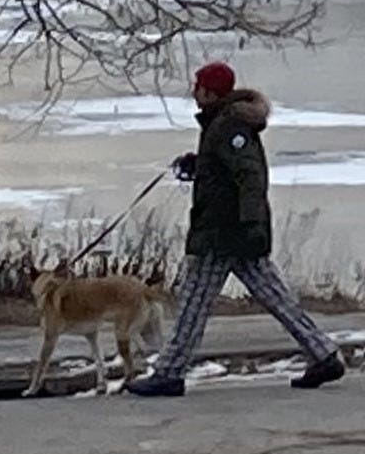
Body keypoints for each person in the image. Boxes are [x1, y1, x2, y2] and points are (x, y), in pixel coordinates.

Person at [126, 62, 346, 395]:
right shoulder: (224, 125)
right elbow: (228, 172)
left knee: (192, 302)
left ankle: (169, 372)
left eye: (197, 86)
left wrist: (252, 223)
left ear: (210, 92)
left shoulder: (229, 127)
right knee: (276, 297)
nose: (193, 91)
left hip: (223, 233)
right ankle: (323, 354)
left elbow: (250, 176)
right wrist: (199, 166)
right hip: (235, 232)